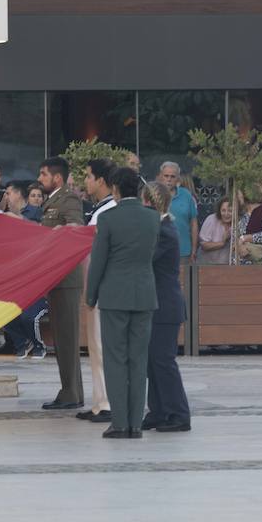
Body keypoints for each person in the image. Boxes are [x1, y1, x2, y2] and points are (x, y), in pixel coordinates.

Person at [84, 167, 160, 439]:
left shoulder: (109, 219)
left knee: (115, 359)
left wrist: (90, 296)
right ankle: (136, 423)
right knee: (138, 360)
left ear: (115, 189)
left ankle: (120, 422)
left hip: (114, 295)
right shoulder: (153, 218)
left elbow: (98, 261)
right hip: (144, 294)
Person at [142, 181, 190, 433]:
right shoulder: (160, 227)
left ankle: (178, 414)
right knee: (153, 361)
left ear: (147, 202)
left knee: (163, 361)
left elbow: (145, 258)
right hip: (159, 304)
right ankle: (159, 411)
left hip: (165, 306)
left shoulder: (164, 230)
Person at [38, 156, 86, 409]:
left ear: (57, 178)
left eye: (43, 174)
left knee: (66, 337)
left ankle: (70, 393)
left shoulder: (68, 199)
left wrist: (62, 232)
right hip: (57, 277)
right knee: (62, 336)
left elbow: (76, 226)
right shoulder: (53, 199)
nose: (39, 178)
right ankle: (73, 391)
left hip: (66, 278)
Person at [75, 159, 118, 421]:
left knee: (103, 346)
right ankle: (100, 402)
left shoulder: (109, 210)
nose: (86, 181)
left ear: (101, 180)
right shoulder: (101, 209)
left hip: (103, 287)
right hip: (95, 285)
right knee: (96, 346)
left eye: (89, 176)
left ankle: (109, 403)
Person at [157, 161, 199, 265]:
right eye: (166, 176)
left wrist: (194, 250)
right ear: (160, 176)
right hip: (158, 251)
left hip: (183, 251)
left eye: (172, 176)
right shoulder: (153, 195)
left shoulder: (186, 195)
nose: (169, 179)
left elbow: (194, 224)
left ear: (178, 179)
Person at [197, 198, 233, 265]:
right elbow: (204, 245)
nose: (226, 214)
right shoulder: (211, 219)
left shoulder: (237, 223)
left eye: (230, 211)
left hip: (225, 265)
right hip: (206, 264)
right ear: (219, 211)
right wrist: (222, 243)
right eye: (223, 210)